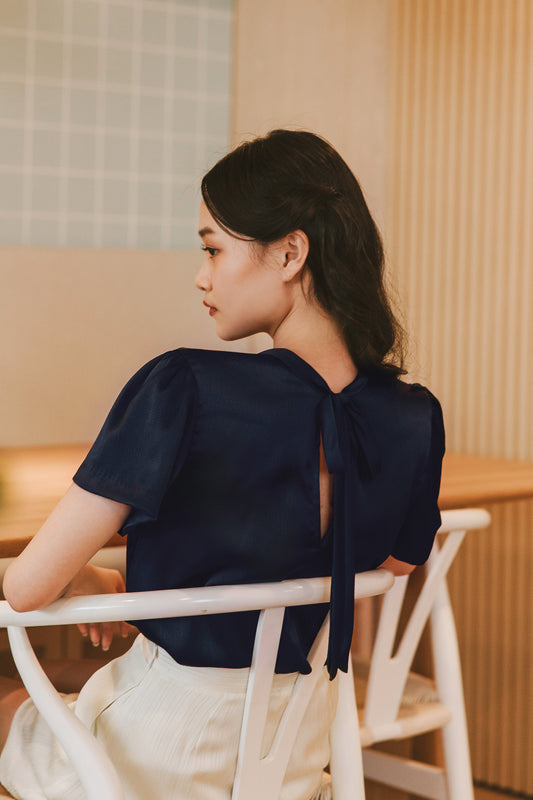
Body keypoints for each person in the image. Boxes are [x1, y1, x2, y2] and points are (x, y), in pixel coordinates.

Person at [0, 129, 445, 800]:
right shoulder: (413, 416)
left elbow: (27, 589)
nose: (201, 275)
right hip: (293, 759)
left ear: (290, 252)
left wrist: (85, 574)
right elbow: (393, 565)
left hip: (152, 761)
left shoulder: (183, 387)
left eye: (213, 248)